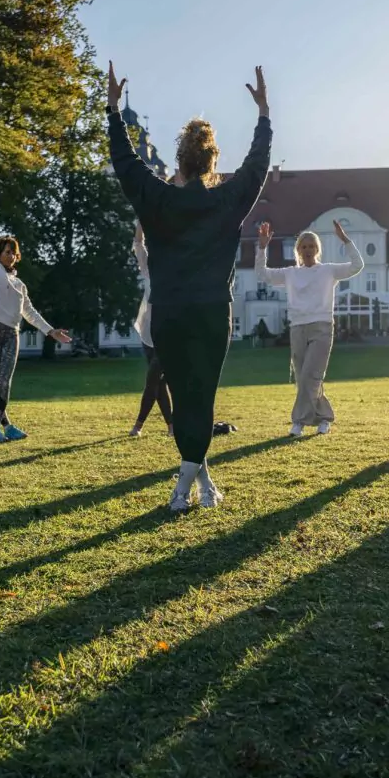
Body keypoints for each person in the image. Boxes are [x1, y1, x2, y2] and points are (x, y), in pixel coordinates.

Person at [106, 60, 273, 512]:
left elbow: (126, 163)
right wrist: (263, 115)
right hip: (213, 312)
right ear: (212, 161)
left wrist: (113, 111)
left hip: (172, 313)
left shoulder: (157, 199)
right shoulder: (226, 198)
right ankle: (190, 488)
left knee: (185, 398)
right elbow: (258, 167)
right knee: (200, 397)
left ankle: (193, 487)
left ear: (179, 161)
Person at [0, 191, 74, 442]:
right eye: (6, 251)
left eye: (13, 252)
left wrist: (50, 331)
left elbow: (29, 311)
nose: (10, 255)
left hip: (12, 332)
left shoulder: (19, 284)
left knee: (4, 380)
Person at [254, 218, 363, 436]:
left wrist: (346, 241)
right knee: (303, 378)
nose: (307, 250)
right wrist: (262, 247)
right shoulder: (290, 273)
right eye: (303, 246)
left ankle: (299, 422)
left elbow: (357, 266)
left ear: (317, 249)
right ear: (298, 250)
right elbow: (261, 274)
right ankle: (324, 417)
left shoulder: (329, 271)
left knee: (310, 377)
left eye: (311, 246)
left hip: (322, 327)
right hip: (297, 328)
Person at [129, 223, 173, 438]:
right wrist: (142, 220)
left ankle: (138, 424)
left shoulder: (176, 272)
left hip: (167, 332)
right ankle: (171, 426)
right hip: (147, 332)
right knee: (159, 383)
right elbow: (138, 244)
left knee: (153, 378)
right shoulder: (148, 269)